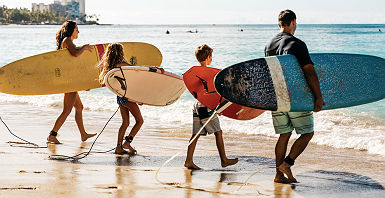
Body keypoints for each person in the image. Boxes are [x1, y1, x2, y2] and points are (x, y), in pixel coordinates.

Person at [264, 10, 325, 183]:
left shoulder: (269, 45)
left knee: (284, 134)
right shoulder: (297, 44)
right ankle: (287, 163)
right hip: (295, 97)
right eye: (295, 23)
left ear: (279, 24)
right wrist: (318, 97)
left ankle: (278, 175)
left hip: (277, 98)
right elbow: (310, 72)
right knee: (307, 133)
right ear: (293, 22)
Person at [184, 44, 238, 170]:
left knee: (195, 134)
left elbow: (198, 92)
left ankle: (188, 160)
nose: (211, 59)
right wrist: (217, 108)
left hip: (197, 106)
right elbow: (213, 94)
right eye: (211, 56)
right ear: (208, 57)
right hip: (206, 107)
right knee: (218, 133)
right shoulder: (210, 75)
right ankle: (224, 160)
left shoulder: (197, 74)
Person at [47, 20, 96, 144]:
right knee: (67, 110)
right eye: (76, 28)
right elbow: (75, 54)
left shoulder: (68, 42)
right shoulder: (67, 40)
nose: (78, 31)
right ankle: (52, 135)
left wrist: (84, 82)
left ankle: (83, 134)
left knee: (79, 107)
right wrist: (84, 48)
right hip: (69, 82)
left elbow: (72, 64)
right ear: (71, 30)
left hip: (69, 80)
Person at [99, 43, 144, 155]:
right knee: (139, 121)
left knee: (125, 122)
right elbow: (136, 70)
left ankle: (118, 147)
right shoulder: (122, 64)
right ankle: (127, 143)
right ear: (120, 52)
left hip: (120, 97)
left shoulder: (112, 66)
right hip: (127, 97)